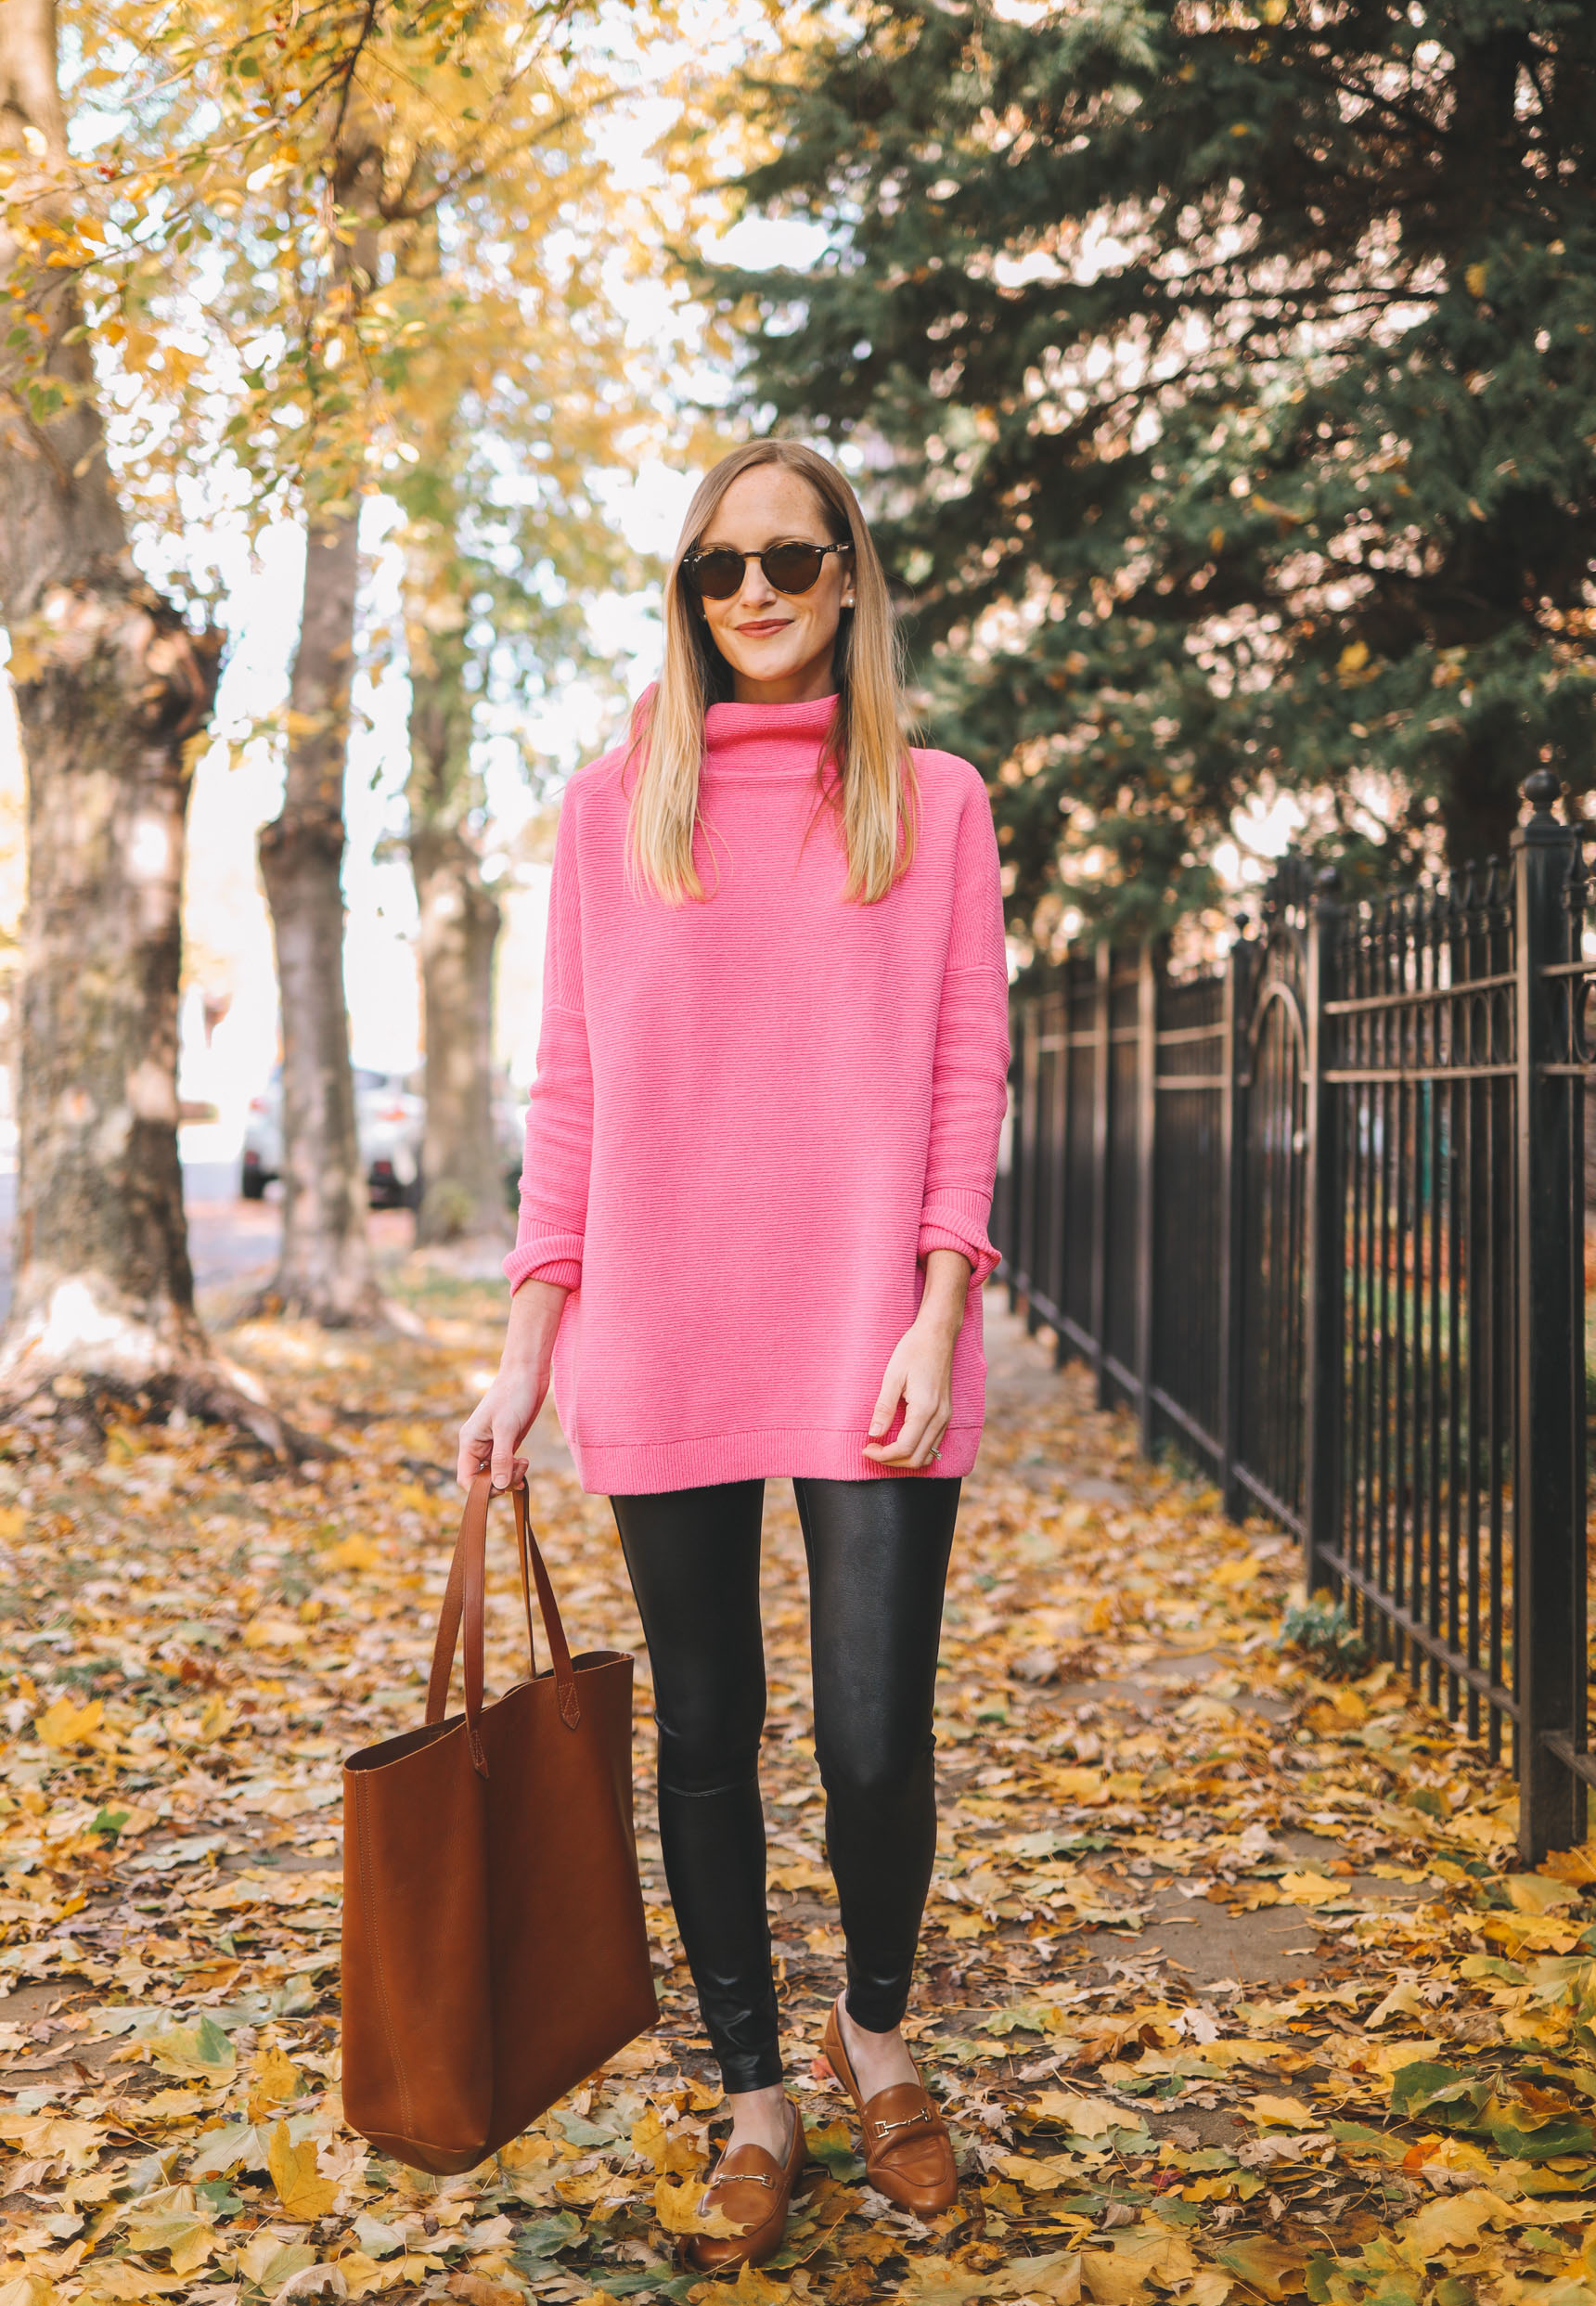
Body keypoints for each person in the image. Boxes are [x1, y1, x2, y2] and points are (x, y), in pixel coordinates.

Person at [455, 438, 1009, 2269]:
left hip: (874, 1325)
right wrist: (528, 1348)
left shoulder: (932, 802)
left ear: (850, 577)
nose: (754, 593)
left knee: (869, 1738)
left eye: (790, 558)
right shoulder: (617, 812)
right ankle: (759, 2091)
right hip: (668, 1319)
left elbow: (960, 1073)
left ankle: (873, 2028)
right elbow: (575, 1088)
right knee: (705, 1731)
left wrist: (942, 1302)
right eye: (717, 568)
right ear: (685, 597)